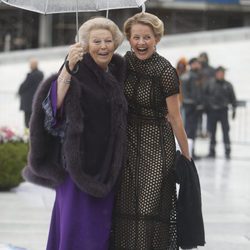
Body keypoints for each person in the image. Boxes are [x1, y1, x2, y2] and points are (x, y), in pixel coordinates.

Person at [22, 17, 127, 250]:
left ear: (116, 44)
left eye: (108, 41)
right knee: (74, 230)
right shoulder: (74, 70)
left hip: (107, 168)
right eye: (96, 41)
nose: (103, 46)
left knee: (99, 232)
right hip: (76, 169)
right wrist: (68, 68)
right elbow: (53, 107)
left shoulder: (117, 75)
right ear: (85, 45)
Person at [110, 12, 191, 250]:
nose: (141, 43)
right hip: (126, 143)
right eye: (136, 37)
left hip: (156, 145)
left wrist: (187, 157)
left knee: (148, 208)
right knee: (124, 206)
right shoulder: (123, 63)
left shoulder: (165, 72)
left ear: (157, 38)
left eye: (147, 37)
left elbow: (175, 118)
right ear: (129, 38)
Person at [204, 66, 237, 159]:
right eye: (219, 73)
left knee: (225, 131)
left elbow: (233, 98)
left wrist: (234, 109)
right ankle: (211, 151)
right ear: (216, 74)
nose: (221, 75)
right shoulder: (210, 83)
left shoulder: (228, 85)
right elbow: (205, 96)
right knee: (212, 131)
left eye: (222, 73)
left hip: (223, 111)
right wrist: (206, 108)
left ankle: (227, 150)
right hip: (212, 111)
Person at [181, 57, 203, 159]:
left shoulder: (188, 76)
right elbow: (192, 93)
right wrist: (197, 103)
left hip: (190, 105)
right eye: (197, 63)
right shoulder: (192, 76)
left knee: (190, 130)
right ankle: (189, 153)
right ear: (192, 64)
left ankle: (190, 152)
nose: (199, 65)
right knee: (190, 130)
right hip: (192, 106)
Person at [18, 58, 44, 128]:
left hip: (28, 103)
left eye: (30, 64)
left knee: (28, 122)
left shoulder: (32, 75)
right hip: (35, 101)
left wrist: (19, 92)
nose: (29, 66)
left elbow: (23, 86)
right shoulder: (40, 74)